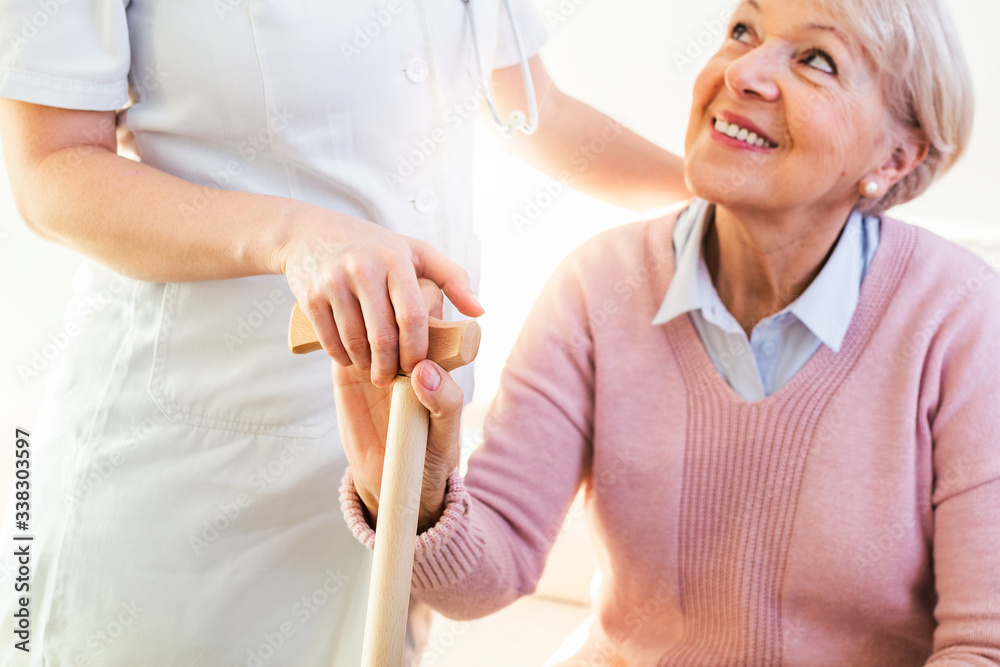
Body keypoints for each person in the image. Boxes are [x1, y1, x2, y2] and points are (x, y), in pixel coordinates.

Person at [0, 1, 691, 665]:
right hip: (193, 475)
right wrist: (295, 236)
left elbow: (538, 113)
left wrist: (732, 201)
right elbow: (52, 170)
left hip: (394, 478)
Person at [338, 0, 1000, 664]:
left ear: (895, 155)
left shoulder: (963, 316)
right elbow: (488, 571)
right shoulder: (599, 285)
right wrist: (406, 493)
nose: (744, 72)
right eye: (743, 31)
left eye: (816, 59)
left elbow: (983, 641)